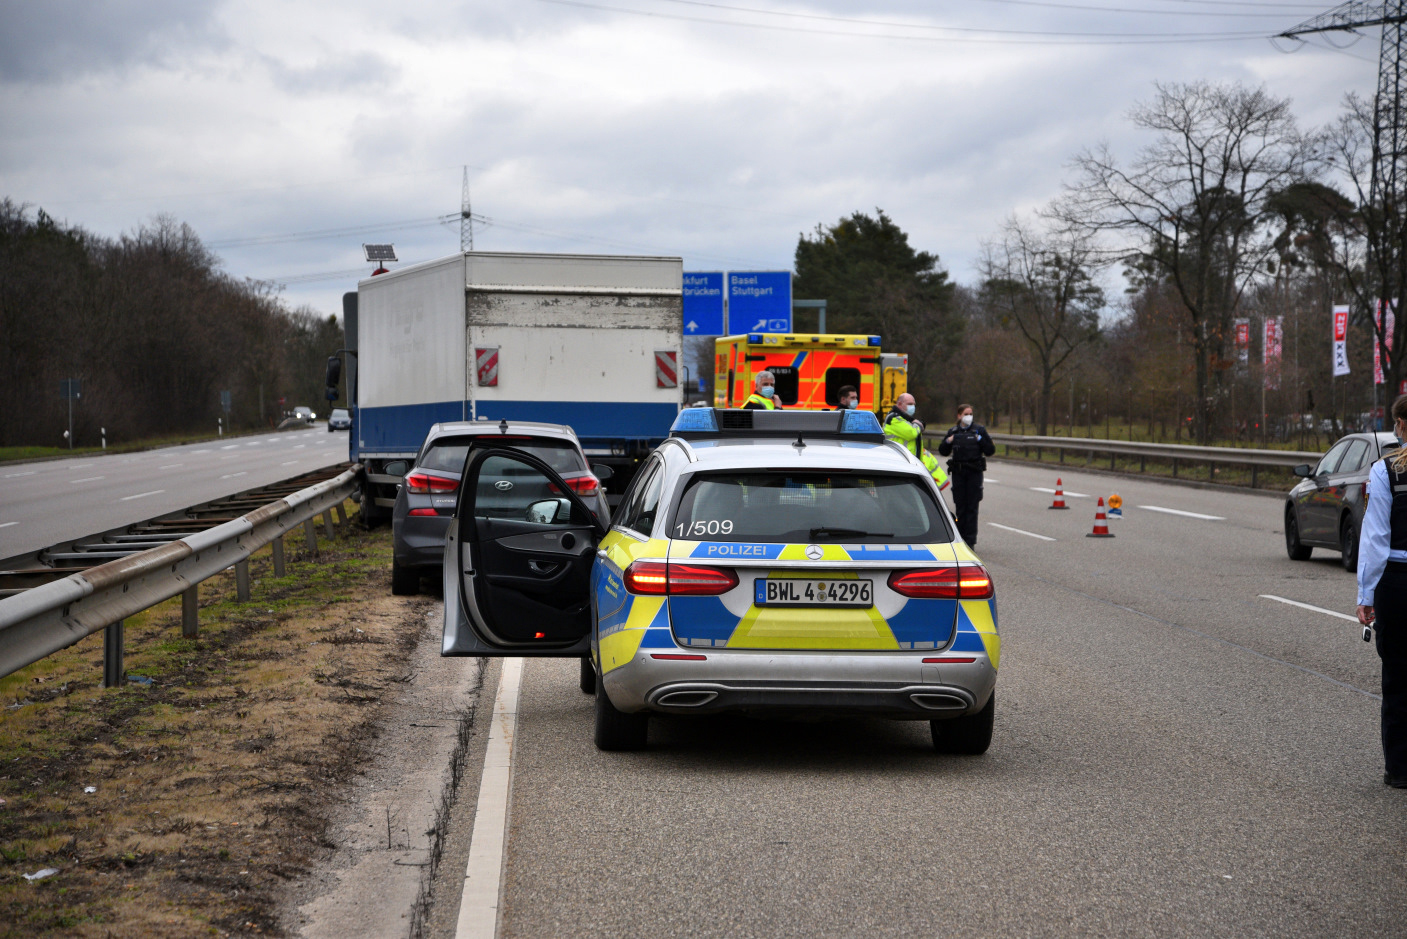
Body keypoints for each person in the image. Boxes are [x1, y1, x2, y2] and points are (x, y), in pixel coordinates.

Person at [1356, 393, 1407, 789]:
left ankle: (1400, 769)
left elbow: (1376, 540)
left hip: (1399, 582)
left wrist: (1366, 595)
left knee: (1398, 676)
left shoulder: (1385, 472)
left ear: (1400, 425)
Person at [938, 404, 995, 548]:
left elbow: (990, 450)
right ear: (959, 416)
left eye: (971, 413)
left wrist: (981, 439)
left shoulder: (979, 430)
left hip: (974, 474)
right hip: (959, 474)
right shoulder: (954, 431)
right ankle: (960, 540)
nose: (969, 416)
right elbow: (943, 451)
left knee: (972, 508)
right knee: (960, 508)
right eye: (966, 413)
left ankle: (970, 542)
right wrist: (948, 441)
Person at [883, 393, 949, 493]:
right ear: (900, 404)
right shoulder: (893, 418)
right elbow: (912, 433)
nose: (912, 407)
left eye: (914, 404)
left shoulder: (906, 420)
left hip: (909, 465)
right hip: (898, 466)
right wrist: (918, 425)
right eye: (910, 404)